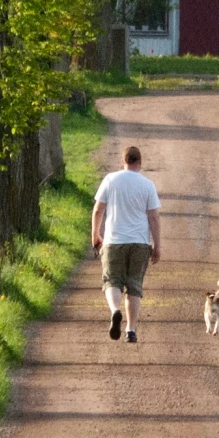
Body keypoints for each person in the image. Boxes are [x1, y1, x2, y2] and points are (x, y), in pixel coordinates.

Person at [91, 145, 161, 342]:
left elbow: (98, 210)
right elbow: (154, 217)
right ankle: (131, 330)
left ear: (122, 162)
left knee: (112, 281)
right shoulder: (147, 185)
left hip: (114, 241)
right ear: (139, 163)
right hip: (139, 243)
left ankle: (115, 310)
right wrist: (157, 246)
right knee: (134, 286)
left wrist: (96, 235)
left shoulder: (110, 180)